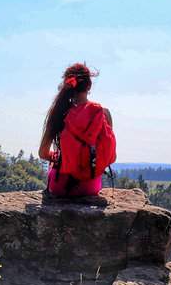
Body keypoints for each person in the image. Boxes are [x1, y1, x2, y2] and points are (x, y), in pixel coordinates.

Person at [38, 63, 116, 198]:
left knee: (56, 159)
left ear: (67, 86)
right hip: (90, 187)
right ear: (89, 86)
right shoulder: (103, 114)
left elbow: (43, 153)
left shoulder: (59, 113)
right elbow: (108, 153)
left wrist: (62, 157)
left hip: (60, 186)